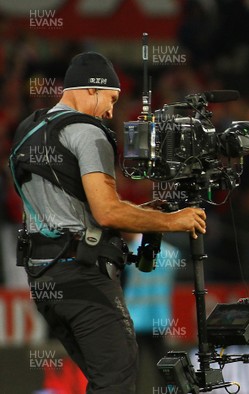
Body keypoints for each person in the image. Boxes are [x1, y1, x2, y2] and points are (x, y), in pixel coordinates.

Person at [9, 52, 206, 393]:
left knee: (105, 380)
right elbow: (108, 213)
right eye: (111, 99)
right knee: (117, 379)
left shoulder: (28, 130)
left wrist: (143, 211)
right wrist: (171, 220)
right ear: (91, 89)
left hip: (45, 281)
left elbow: (69, 210)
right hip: (83, 276)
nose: (111, 111)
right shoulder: (87, 131)